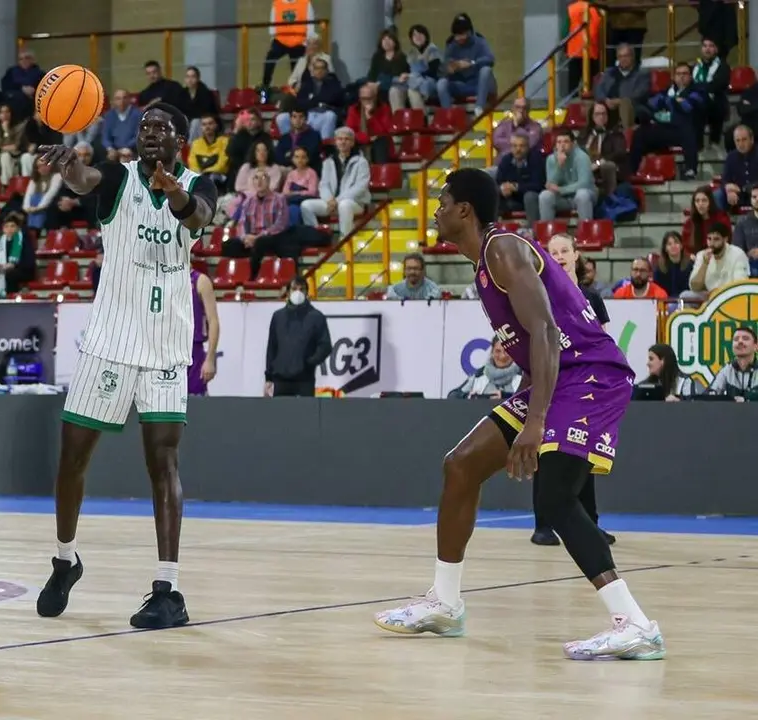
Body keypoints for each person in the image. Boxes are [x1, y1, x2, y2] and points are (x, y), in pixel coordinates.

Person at [374, 168, 664, 661]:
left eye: (442, 203)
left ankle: (636, 624)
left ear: (465, 210)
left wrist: (535, 422)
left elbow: (547, 332)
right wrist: (529, 407)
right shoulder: (484, 265)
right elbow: (537, 345)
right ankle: (445, 603)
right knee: (461, 465)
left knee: (555, 498)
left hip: (589, 374)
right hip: (555, 379)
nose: (436, 212)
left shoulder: (502, 249)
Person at [35, 102, 218, 629]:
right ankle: (65, 560)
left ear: (181, 140)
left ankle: (168, 590)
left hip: (165, 347)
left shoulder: (200, 184)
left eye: (161, 127)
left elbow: (198, 217)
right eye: (143, 127)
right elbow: (84, 179)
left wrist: (174, 192)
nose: (150, 133)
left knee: (164, 463)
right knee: (72, 458)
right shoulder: (118, 177)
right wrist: (70, 166)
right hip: (110, 342)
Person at [536, 233, 614, 547]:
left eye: (564, 250)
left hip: (586, 385)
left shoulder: (591, 297)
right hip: (554, 383)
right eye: (553, 252)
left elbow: (604, 342)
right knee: (546, 453)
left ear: (576, 254)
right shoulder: (540, 296)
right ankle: (543, 525)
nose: (559, 257)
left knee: (583, 452)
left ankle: (590, 524)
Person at [264, 276, 332, 397]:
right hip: (280, 380)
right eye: (294, 289)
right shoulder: (278, 317)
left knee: (305, 410)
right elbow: (272, 348)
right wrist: (268, 377)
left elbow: (325, 346)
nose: (298, 292)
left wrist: (309, 363)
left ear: (307, 292)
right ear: (288, 292)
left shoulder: (317, 317)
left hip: (304, 381)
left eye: (302, 289)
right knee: (280, 410)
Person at [188, 269, 219, 397]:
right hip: (169, 350)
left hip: (193, 350)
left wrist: (210, 359)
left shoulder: (200, 281)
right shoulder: (166, 279)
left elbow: (213, 321)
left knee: (195, 399)